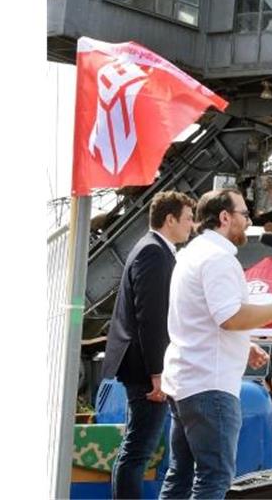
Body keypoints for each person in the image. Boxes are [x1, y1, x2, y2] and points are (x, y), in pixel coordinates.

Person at [159, 188, 272, 498]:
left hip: (186, 379)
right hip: (209, 385)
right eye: (244, 214)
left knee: (180, 476)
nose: (248, 221)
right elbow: (228, 317)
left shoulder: (191, 253)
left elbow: (204, 317)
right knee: (214, 479)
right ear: (225, 217)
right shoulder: (218, 258)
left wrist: (244, 342)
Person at [104, 191, 195, 500]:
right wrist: (158, 373)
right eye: (187, 219)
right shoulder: (154, 253)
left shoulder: (152, 249)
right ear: (169, 219)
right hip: (145, 369)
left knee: (137, 448)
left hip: (142, 365)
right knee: (138, 450)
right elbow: (151, 317)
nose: (192, 225)